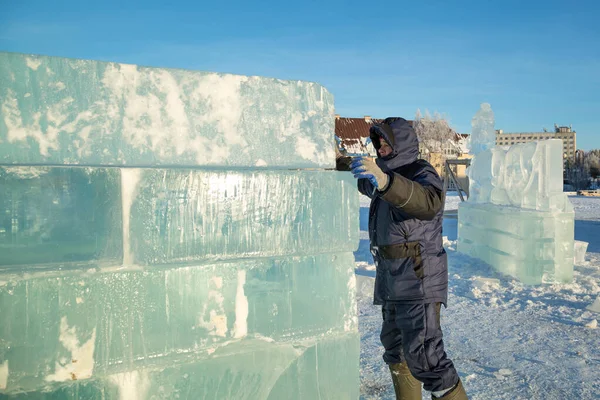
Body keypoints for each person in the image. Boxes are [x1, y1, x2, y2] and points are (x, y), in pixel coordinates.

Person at [344, 117, 468, 400]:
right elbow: (362, 179)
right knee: (396, 350)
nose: (382, 148)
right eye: (379, 143)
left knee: (427, 358)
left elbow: (428, 202)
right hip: (391, 281)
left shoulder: (420, 172)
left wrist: (386, 181)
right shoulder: (381, 175)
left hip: (418, 279)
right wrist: (332, 161)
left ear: (402, 144)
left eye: (387, 142)